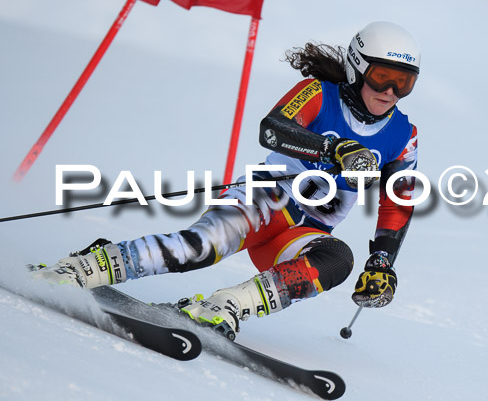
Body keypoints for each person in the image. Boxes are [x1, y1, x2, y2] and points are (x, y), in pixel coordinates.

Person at [33, 21, 420, 340]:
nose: (390, 92)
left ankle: (226, 305)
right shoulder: (319, 94)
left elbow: (398, 199)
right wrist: (332, 150)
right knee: (199, 249)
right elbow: (273, 130)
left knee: (337, 259)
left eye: (404, 83)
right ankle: (84, 267)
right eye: (382, 77)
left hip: (301, 231)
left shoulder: (403, 135)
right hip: (264, 201)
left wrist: (382, 261)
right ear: (356, 68)